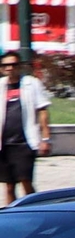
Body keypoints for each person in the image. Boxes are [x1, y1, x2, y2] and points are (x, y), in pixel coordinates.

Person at [2, 52, 52, 203]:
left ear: (20, 66)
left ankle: (36, 208)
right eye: (5, 65)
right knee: (9, 186)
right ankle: (11, 217)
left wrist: (45, 138)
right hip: (4, 145)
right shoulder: (0, 86)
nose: (10, 68)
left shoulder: (31, 83)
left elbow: (42, 111)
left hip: (24, 143)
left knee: (25, 181)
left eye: (13, 64)